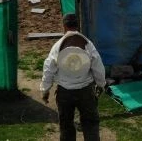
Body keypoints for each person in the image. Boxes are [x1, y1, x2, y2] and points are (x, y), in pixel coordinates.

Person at [40, 13, 106, 141]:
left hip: (65, 93)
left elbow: (48, 69)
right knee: (91, 124)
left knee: (66, 125)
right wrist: (101, 84)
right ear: (78, 25)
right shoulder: (88, 44)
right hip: (86, 91)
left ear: (64, 26)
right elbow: (98, 67)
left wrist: (45, 90)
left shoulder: (57, 46)